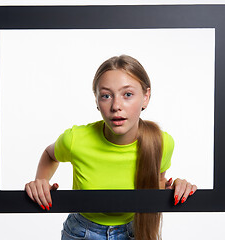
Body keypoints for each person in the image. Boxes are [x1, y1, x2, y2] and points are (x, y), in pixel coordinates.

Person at [25, 55, 197, 240]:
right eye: (106, 96)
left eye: (128, 95)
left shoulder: (162, 143)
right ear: (97, 101)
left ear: (146, 97)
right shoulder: (75, 139)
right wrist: (40, 182)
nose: (116, 106)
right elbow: (50, 155)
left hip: (135, 231)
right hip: (81, 232)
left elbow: (155, 184)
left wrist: (177, 188)